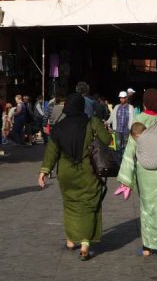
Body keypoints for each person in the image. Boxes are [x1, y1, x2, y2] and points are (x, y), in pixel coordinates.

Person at [37, 93, 111, 260]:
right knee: (89, 204)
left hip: (66, 173)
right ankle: (85, 243)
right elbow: (106, 140)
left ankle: (71, 239)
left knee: (70, 205)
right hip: (88, 172)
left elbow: (51, 152)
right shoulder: (92, 122)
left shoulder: (58, 127)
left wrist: (44, 171)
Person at [116, 88, 157, 262]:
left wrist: (126, 180)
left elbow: (130, 151)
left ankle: (147, 247)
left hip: (144, 173)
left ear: (145, 103)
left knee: (147, 209)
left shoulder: (138, 120)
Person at [107, 91, 134, 160]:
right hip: (118, 130)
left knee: (125, 147)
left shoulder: (130, 107)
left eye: (123, 98)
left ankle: (124, 161)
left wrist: (131, 129)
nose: (122, 99)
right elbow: (112, 117)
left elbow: (133, 119)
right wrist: (107, 122)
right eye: (120, 98)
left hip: (126, 131)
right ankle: (118, 162)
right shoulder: (116, 107)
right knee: (118, 146)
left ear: (126, 98)